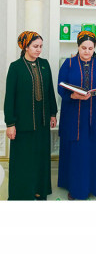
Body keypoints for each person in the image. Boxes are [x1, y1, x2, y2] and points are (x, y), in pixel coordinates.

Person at [57, 31, 96, 200]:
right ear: (78, 47)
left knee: (91, 150)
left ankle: (92, 186)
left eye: (90, 48)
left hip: (93, 117)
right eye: (84, 48)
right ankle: (75, 188)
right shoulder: (68, 64)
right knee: (76, 152)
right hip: (73, 117)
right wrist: (73, 95)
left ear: (94, 49)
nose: (87, 51)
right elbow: (61, 87)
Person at [3, 31, 58, 200]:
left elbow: (50, 90)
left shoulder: (44, 64)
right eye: (35, 46)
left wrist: (53, 113)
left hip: (42, 123)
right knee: (24, 161)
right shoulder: (16, 67)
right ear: (25, 47)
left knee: (40, 158)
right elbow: (9, 97)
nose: (39, 49)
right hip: (23, 124)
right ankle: (22, 194)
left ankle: (39, 190)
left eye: (41, 46)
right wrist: (10, 123)